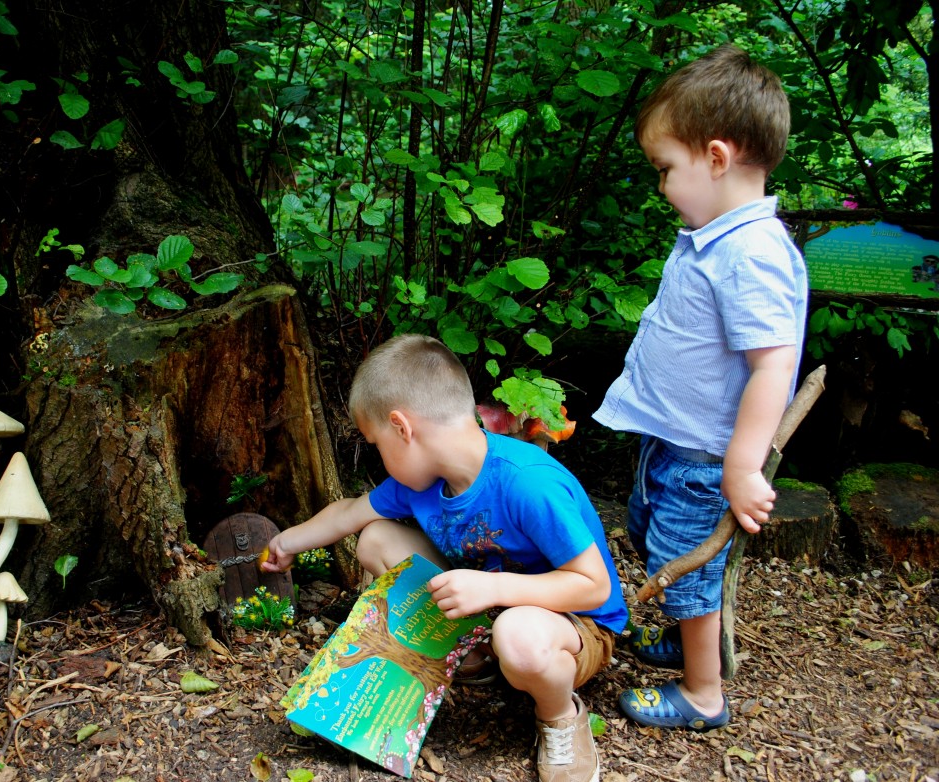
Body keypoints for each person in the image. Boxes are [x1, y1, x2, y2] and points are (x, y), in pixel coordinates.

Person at [263, 334, 628, 782]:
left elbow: (594, 586)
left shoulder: (526, 482)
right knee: (376, 539)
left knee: (519, 635)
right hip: (489, 603)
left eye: (377, 444)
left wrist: (494, 589)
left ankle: (559, 718)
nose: (380, 456)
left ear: (402, 427)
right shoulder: (421, 483)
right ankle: (470, 654)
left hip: (571, 623)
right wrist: (286, 544)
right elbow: (350, 513)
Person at [593, 44, 808, 731]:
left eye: (666, 169)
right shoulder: (715, 238)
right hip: (675, 444)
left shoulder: (752, 253)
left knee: (687, 567)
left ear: (716, 157)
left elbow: (773, 364)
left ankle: (704, 692)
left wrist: (743, 467)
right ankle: (694, 642)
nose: (662, 187)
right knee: (656, 539)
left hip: (705, 457)